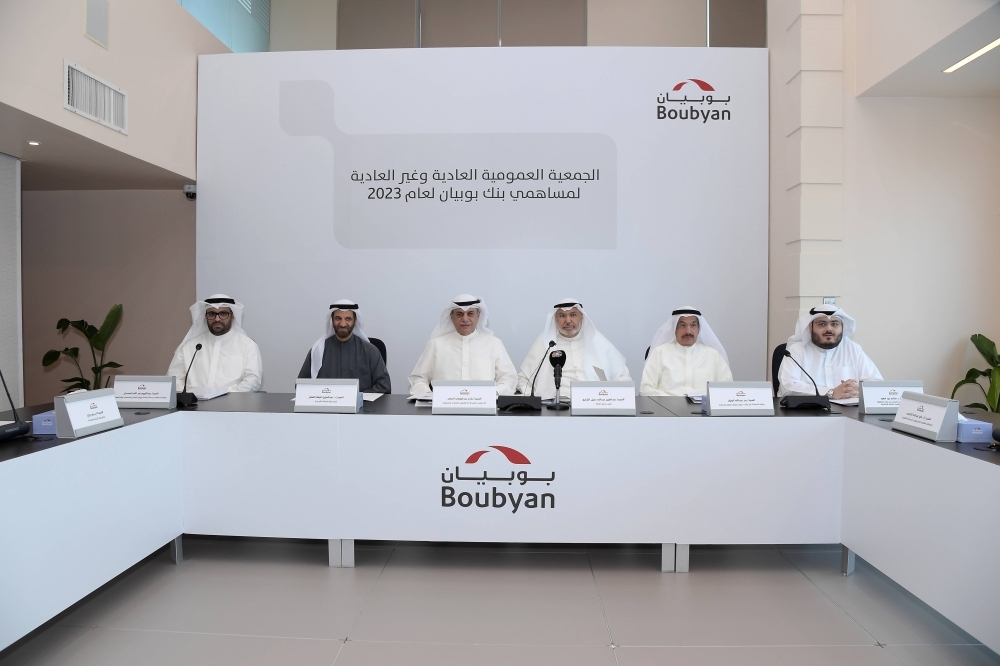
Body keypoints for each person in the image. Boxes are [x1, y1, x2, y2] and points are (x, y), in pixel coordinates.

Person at [516, 299, 630, 399]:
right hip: (555, 406)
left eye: (573, 315)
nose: (568, 320)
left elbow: (622, 375)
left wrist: (614, 398)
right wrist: (536, 400)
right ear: (555, 319)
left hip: (593, 403)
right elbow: (523, 379)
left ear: (582, 317)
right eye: (562, 316)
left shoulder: (597, 341)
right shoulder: (546, 343)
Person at [408, 294, 517, 396]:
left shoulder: (493, 344)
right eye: (459, 314)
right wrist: (429, 396)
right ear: (452, 317)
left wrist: (493, 394)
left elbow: (508, 377)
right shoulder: (435, 345)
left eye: (470, 313)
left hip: (483, 407)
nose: (465, 319)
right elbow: (418, 378)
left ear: (478, 315)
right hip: (445, 407)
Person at [777, 305, 882, 399]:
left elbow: (876, 383)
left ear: (842, 327)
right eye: (822, 324)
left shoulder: (853, 349)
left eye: (835, 324)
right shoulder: (796, 351)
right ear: (810, 327)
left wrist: (858, 391)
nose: (829, 329)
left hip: (848, 411)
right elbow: (788, 387)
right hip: (807, 411)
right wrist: (830, 393)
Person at [167, 294, 262, 392]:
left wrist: (225, 394)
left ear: (232, 316)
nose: (217, 319)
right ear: (206, 316)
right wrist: (193, 393)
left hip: (233, 401)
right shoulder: (190, 346)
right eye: (212, 314)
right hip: (194, 400)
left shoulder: (248, 346)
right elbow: (173, 379)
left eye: (223, 313)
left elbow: (253, 381)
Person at [297, 299, 390, 393]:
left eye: (348, 319)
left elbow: (384, 386)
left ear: (355, 320)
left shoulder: (370, 351)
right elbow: (300, 386)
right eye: (338, 318)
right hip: (326, 402)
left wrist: (357, 398)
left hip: (361, 402)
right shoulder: (318, 350)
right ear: (332, 320)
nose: (342, 324)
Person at [640, 307, 732, 396]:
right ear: (674, 329)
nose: (688, 331)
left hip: (704, 406)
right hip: (666, 405)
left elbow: (727, 388)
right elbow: (645, 389)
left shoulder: (713, 355)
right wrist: (671, 401)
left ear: (699, 329)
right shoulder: (659, 352)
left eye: (693, 325)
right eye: (682, 325)